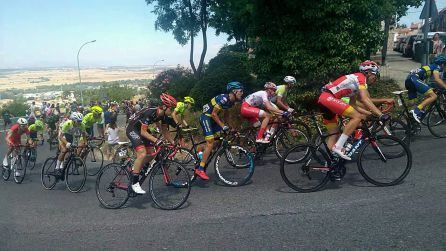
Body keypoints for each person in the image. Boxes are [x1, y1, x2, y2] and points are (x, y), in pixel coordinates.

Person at [318, 60, 389, 160]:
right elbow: (365, 99)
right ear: (368, 72)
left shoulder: (355, 83)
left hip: (324, 99)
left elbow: (353, 104)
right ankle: (338, 147)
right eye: (375, 75)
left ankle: (329, 164)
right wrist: (380, 115)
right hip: (328, 97)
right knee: (357, 117)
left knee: (334, 133)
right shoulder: (360, 78)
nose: (375, 78)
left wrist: (369, 114)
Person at [125, 93, 177, 194]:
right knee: (142, 153)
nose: (173, 111)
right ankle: (135, 184)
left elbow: (165, 131)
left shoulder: (164, 116)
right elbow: (143, 132)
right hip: (132, 129)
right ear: (165, 107)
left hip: (141, 130)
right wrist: (156, 140)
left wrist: (173, 143)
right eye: (172, 108)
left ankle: (135, 167)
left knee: (151, 154)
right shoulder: (150, 112)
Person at [196, 82, 245, 180]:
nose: (242, 93)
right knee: (210, 141)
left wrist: (230, 127)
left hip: (213, 120)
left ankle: (201, 152)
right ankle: (200, 169)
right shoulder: (224, 99)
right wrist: (223, 126)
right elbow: (214, 114)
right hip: (206, 117)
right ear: (234, 91)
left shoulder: (231, 101)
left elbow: (226, 115)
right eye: (240, 91)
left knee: (218, 140)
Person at [405, 55, 446, 123]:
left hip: (409, 80)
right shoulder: (437, 67)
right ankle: (416, 111)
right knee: (434, 96)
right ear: (442, 63)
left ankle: (411, 122)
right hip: (414, 79)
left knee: (417, 100)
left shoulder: (430, 66)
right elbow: (437, 79)